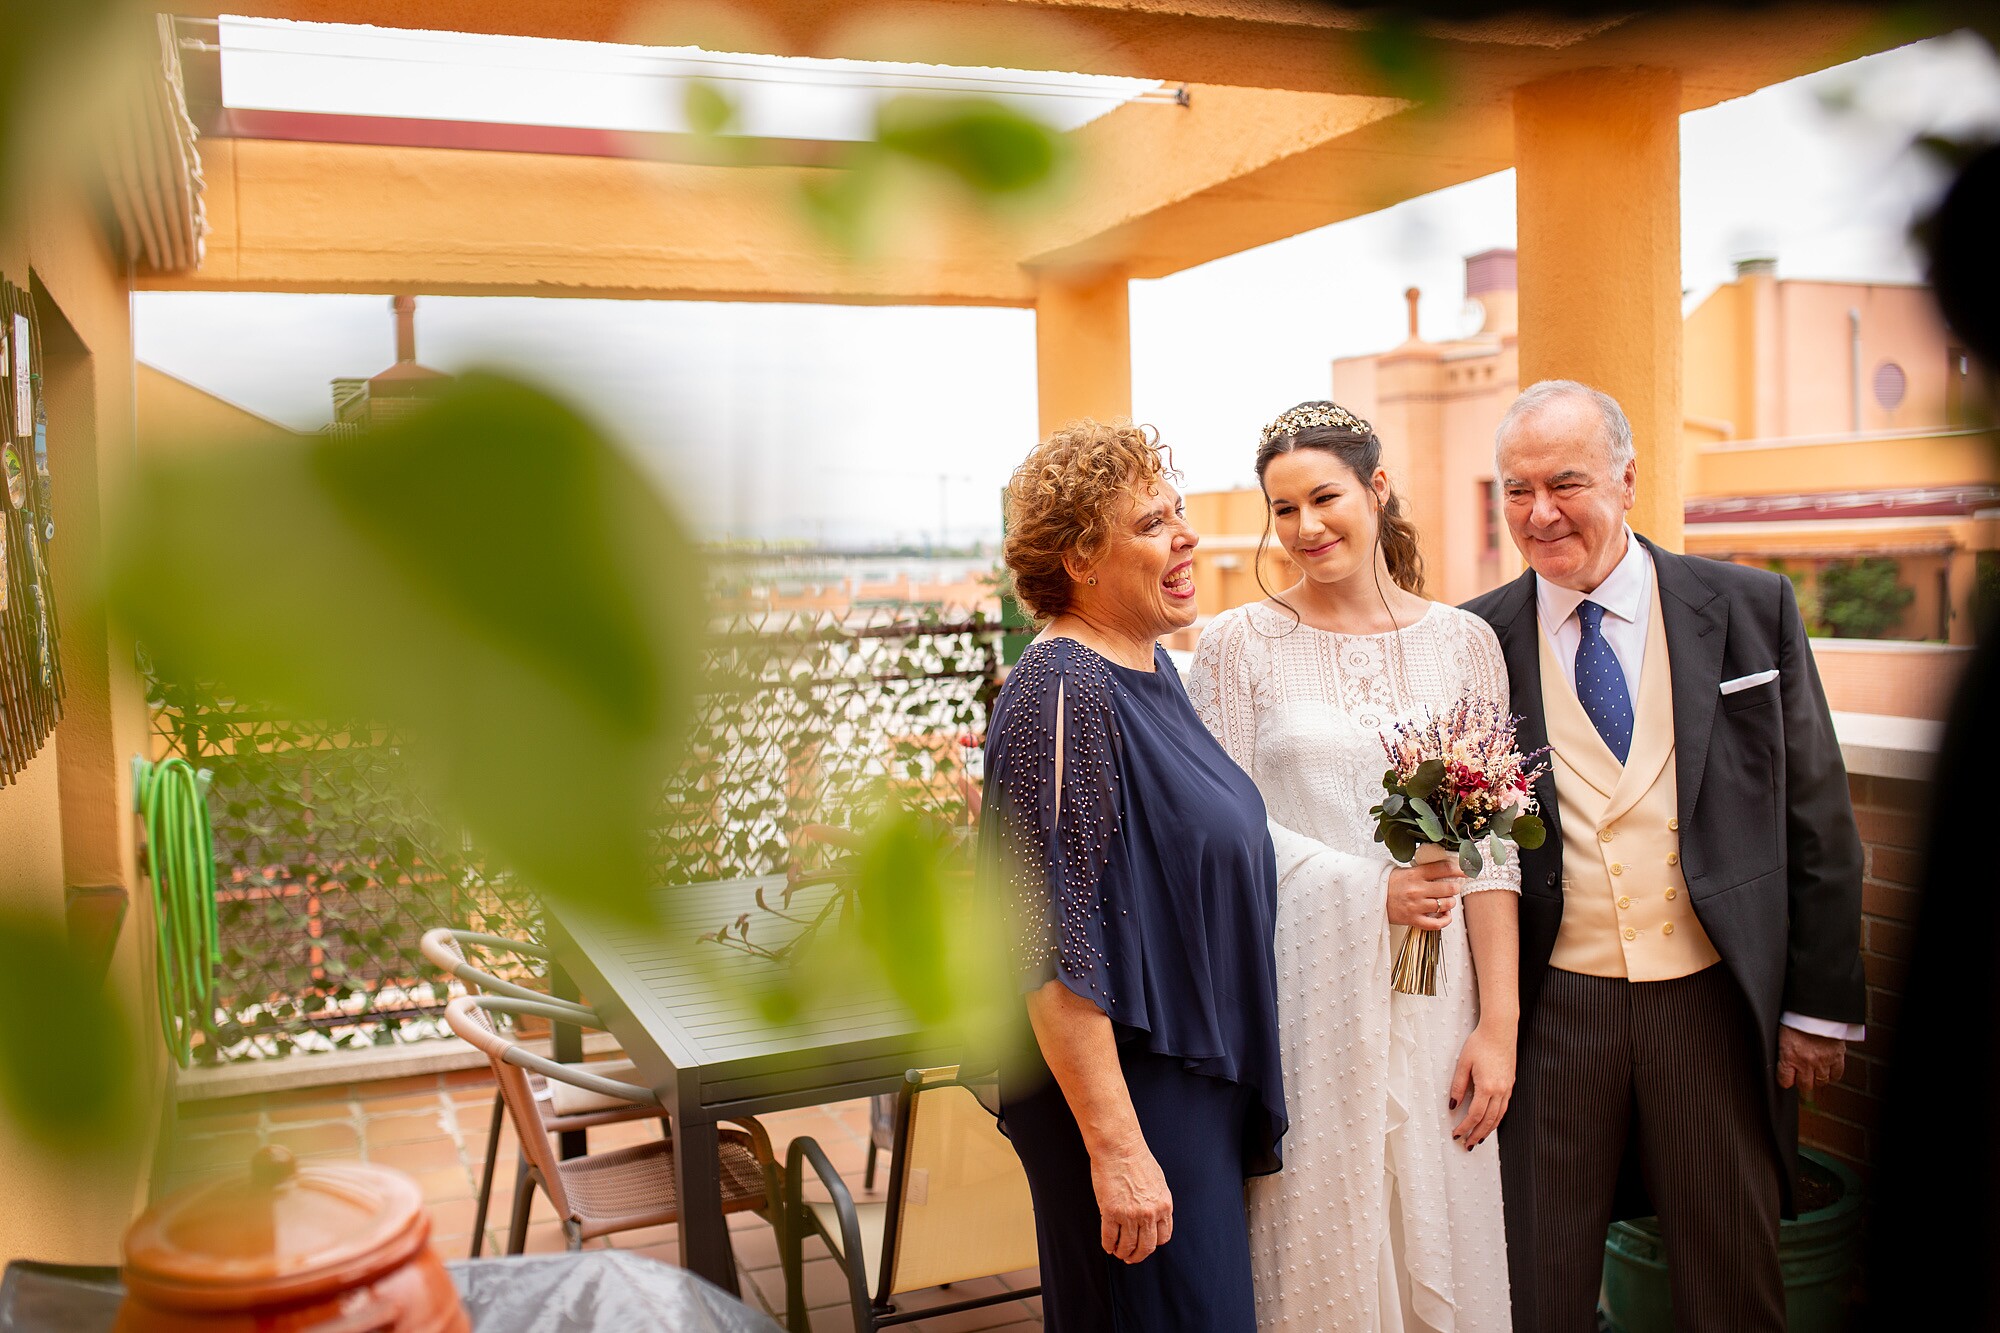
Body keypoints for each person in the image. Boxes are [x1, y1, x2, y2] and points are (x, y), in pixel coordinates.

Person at [1463, 379, 1866, 1333]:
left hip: (1712, 999)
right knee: (1533, 1277)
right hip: (1554, 1005)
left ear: (1628, 479)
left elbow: (1818, 814)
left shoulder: (1749, 607)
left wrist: (1816, 1005)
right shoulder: (1478, 637)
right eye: (1515, 490)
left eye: (1566, 482)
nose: (1541, 512)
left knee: (1731, 1275)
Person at [1187, 400, 1517, 1333]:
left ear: (1376, 488)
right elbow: (1229, 832)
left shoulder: (1466, 643)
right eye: (1282, 510)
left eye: (1323, 496)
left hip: (1438, 991)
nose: (1305, 528)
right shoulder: (1237, 646)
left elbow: (1494, 849)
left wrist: (1501, 1023)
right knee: (1324, 1222)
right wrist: (1367, 891)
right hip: (1309, 987)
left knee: (1437, 1214)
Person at [980, 418, 1287, 1333]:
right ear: (1080, 557)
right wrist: (1116, 1150)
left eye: (1179, 511)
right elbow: (1044, 942)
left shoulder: (1151, 669)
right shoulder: (1059, 693)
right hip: (1130, 1102)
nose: (1188, 535)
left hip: (1181, 1089)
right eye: (1154, 522)